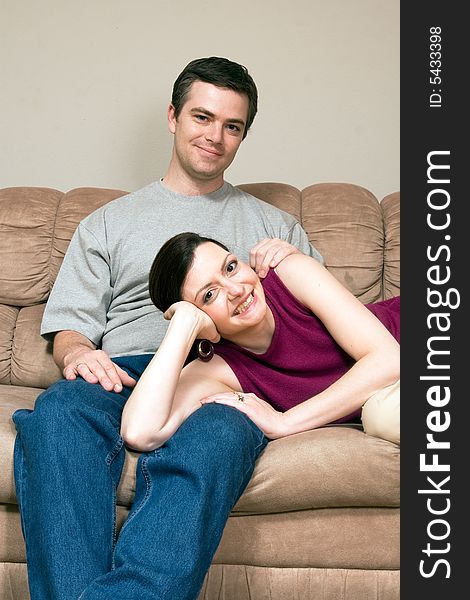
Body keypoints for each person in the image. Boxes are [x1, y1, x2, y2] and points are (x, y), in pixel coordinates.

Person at [12, 57, 323, 600]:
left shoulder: (275, 225)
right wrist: (77, 355)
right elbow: (69, 329)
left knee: (219, 438)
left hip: (229, 378)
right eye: (203, 118)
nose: (215, 137)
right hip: (130, 373)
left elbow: (316, 321)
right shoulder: (109, 222)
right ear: (173, 116)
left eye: (233, 126)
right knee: (59, 410)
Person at [121, 232, 400, 454]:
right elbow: (139, 432)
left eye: (230, 267)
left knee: (383, 414)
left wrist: (285, 422)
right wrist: (183, 325)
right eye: (209, 295)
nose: (236, 290)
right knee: (383, 415)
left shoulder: (290, 272)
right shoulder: (216, 369)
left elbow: (389, 360)